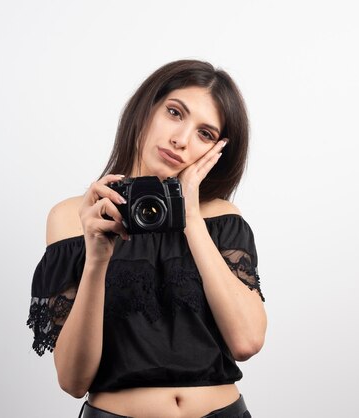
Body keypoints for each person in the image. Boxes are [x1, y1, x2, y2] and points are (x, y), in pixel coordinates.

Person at [27, 60, 267, 418]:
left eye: (205, 134)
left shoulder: (220, 219)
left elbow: (246, 342)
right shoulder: (73, 217)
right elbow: (74, 380)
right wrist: (96, 260)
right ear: (145, 110)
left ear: (216, 151)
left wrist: (189, 217)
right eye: (174, 113)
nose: (181, 140)